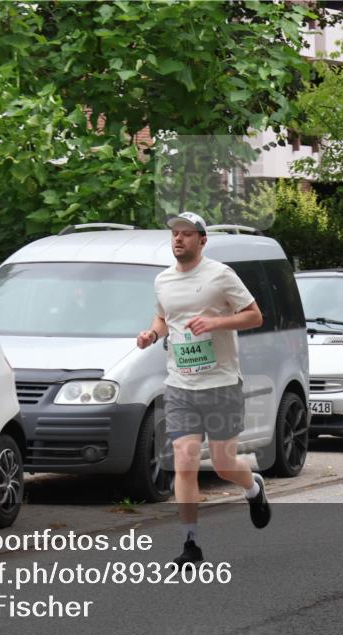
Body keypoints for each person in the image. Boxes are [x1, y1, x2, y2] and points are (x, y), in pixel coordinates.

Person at [136, 211, 271, 567]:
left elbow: (255, 316)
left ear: (202, 240)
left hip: (221, 382)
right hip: (180, 384)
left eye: (186, 234)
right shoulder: (163, 280)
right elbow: (164, 317)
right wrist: (152, 333)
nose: (178, 239)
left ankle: (253, 488)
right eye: (174, 234)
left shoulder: (221, 275)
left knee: (224, 464)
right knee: (184, 460)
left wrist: (215, 321)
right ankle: (190, 544)